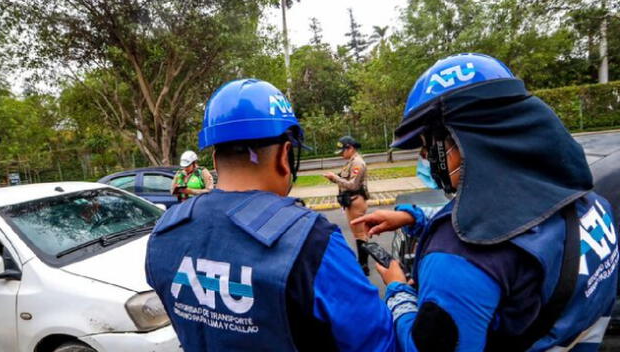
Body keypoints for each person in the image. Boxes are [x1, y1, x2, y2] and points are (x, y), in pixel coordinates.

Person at [352, 53, 618, 351]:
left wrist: (398, 291)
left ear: (465, 136)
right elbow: (523, 231)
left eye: (428, 144)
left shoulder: (456, 259)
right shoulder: (593, 205)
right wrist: (416, 219)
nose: (424, 157)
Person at [145, 79, 397, 351]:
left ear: (215, 161)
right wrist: (398, 292)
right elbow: (378, 343)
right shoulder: (313, 242)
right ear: (284, 155)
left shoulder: (164, 232)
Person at [323, 136, 371, 275]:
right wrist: (334, 179)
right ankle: (362, 263)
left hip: (356, 201)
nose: (341, 154)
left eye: (343, 151)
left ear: (350, 148)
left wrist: (335, 178)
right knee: (359, 233)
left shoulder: (357, 163)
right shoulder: (351, 161)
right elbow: (345, 179)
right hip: (352, 201)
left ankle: (363, 265)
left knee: (360, 234)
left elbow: (353, 184)